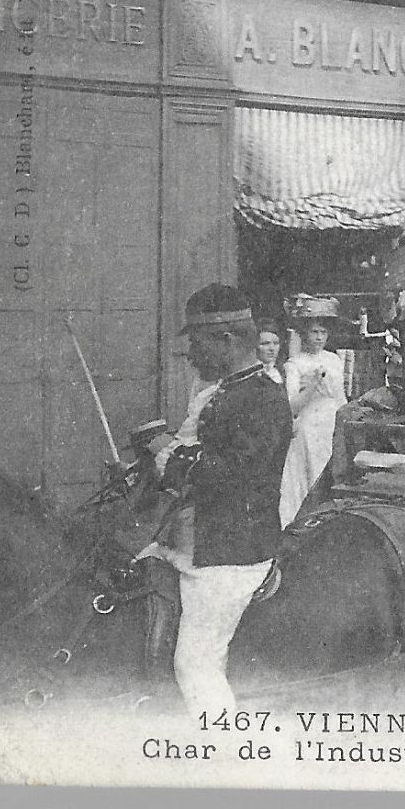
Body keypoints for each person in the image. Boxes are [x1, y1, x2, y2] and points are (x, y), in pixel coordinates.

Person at [142, 284, 292, 715]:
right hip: (205, 538)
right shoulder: (229, 390)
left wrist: (167, 455)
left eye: (198, 342)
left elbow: (227, 476)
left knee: (196, 664)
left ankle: (226, 753)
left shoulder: (261, 397)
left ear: (226, 340)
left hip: (233, 552)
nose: (191, 353)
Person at [279, 298, 348, 529]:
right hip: (309, 427)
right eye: (314, 332)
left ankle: (329, 526)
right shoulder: (294, 364)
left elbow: (340, 398)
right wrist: (313, 384)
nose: (319, 337)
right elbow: (292, 407)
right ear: (304, 334)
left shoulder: (335, 360)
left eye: (323, 332)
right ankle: (301, 526)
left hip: (331, 424)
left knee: (333, 473)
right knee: (310, 476)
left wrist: (345, 422)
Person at [255, 319, 286, 385]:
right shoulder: (252, 374)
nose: (272, 348)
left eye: (276, 343)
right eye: (265, 343)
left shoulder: (283, 372)